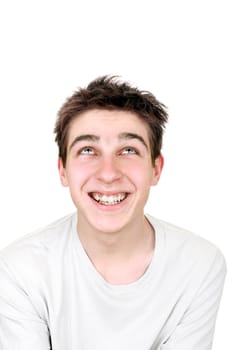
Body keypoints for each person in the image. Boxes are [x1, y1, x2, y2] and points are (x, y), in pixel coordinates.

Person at [0, 76, 226, 350]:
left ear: (155, 169)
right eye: (88, 150)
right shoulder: (21, 269)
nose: (108, 173)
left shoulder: (199, 265)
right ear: (63, 170)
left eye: (128, 150)